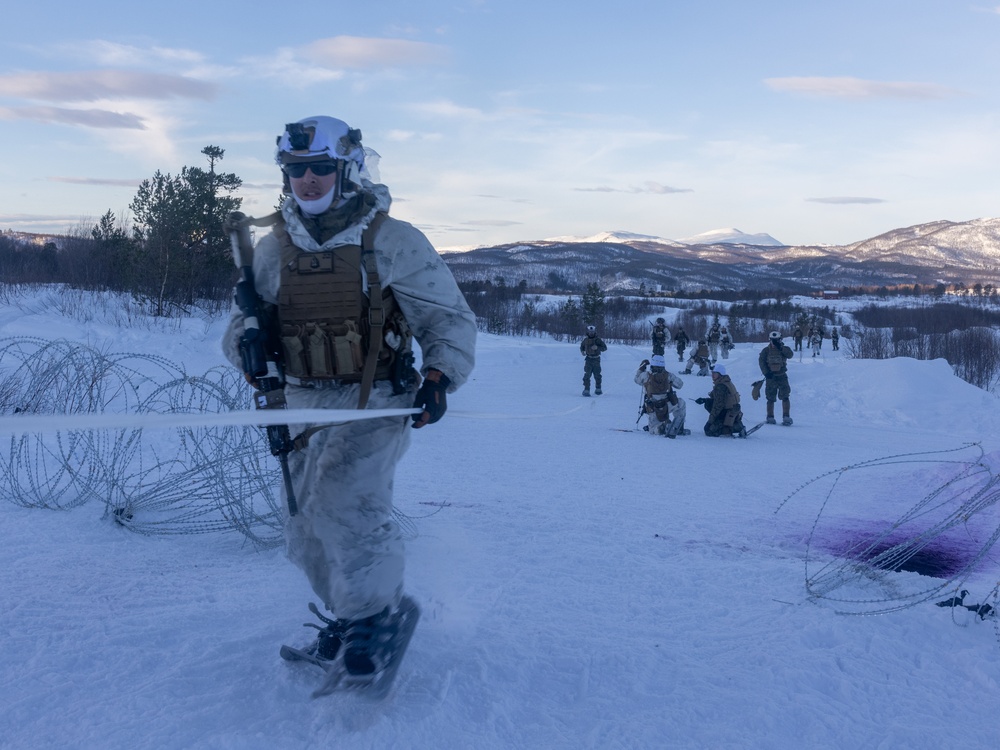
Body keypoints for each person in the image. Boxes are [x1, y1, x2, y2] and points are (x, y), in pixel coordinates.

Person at [222, 116, 477, 680]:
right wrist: (246, 344)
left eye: (319, 168)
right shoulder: (270, 249)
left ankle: (377, 618)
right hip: (296, 400)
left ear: (347, 169)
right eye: (295, 170)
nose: (306, 180)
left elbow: (448, 318)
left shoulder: (392, 240)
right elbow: (240, 325)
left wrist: (439, 376)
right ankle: (353, 613)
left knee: (344, 503)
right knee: (303, 528)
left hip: (374, 399)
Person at [634, 354, 687, 438]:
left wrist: (641, 369)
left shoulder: (645, 375)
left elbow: (636, 380)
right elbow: (680, 384)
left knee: (653, 430)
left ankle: (663, 428)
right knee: (681, 403)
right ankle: (678, 426)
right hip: (667, 406)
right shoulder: (669, 375)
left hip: (653, 409)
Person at [695, 364, 746, 437]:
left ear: (720, 374)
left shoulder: (721, 386)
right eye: (712, 373)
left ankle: (736, 428)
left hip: (728, 412)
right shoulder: (725, 381)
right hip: (731, 410)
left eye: (715, 373)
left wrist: (709, 422)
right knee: (708, 403)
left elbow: (718, 406)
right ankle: (733, 423)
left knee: (710, 431)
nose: (712, 375)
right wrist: (704, 400)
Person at [758, 330, 794, 425]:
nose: (774, 341)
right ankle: (770, 416)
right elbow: (761, 362)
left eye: (776, 340)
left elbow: (790, 355)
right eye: (773, 340)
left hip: (782, 376)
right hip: (771, 377)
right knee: (770, 397)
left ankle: (786, 416)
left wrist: (781, 348)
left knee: (785, 396)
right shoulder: (766, 350)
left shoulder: (783, 349)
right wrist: (766, 373)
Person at [580, 324, 607, 396]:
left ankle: (598, 389)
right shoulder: (585, 340)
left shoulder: (598, 340)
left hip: (596, 359)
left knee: (597, 375)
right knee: (587, 375)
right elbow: (582, 347)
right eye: (590, 332)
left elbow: (605, 348)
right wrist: (582, 351)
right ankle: (586, 390)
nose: (591, 333)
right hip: (588, 359)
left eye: (592, 332)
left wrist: (597, 348)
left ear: (595, 332)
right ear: (588, 332)